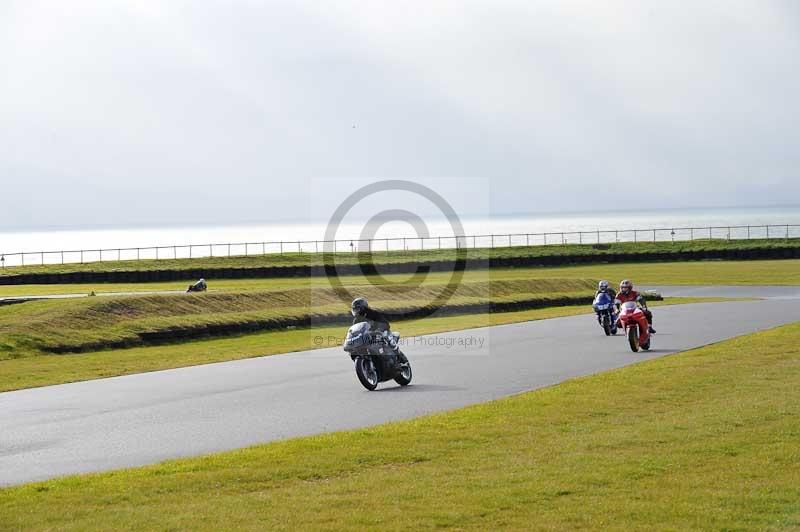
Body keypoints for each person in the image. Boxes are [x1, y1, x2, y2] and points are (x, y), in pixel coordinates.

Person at [351, 297, 408, 364]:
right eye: (354, 309)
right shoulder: (356, 320)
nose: (356, 311)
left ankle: (401, 358)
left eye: (357, 309)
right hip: (368, 337)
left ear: (363, 308)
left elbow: (384, 323)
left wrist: (379, 329)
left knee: (389, 341)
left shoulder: (373, 313)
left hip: (381, 332)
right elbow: (355, 330)